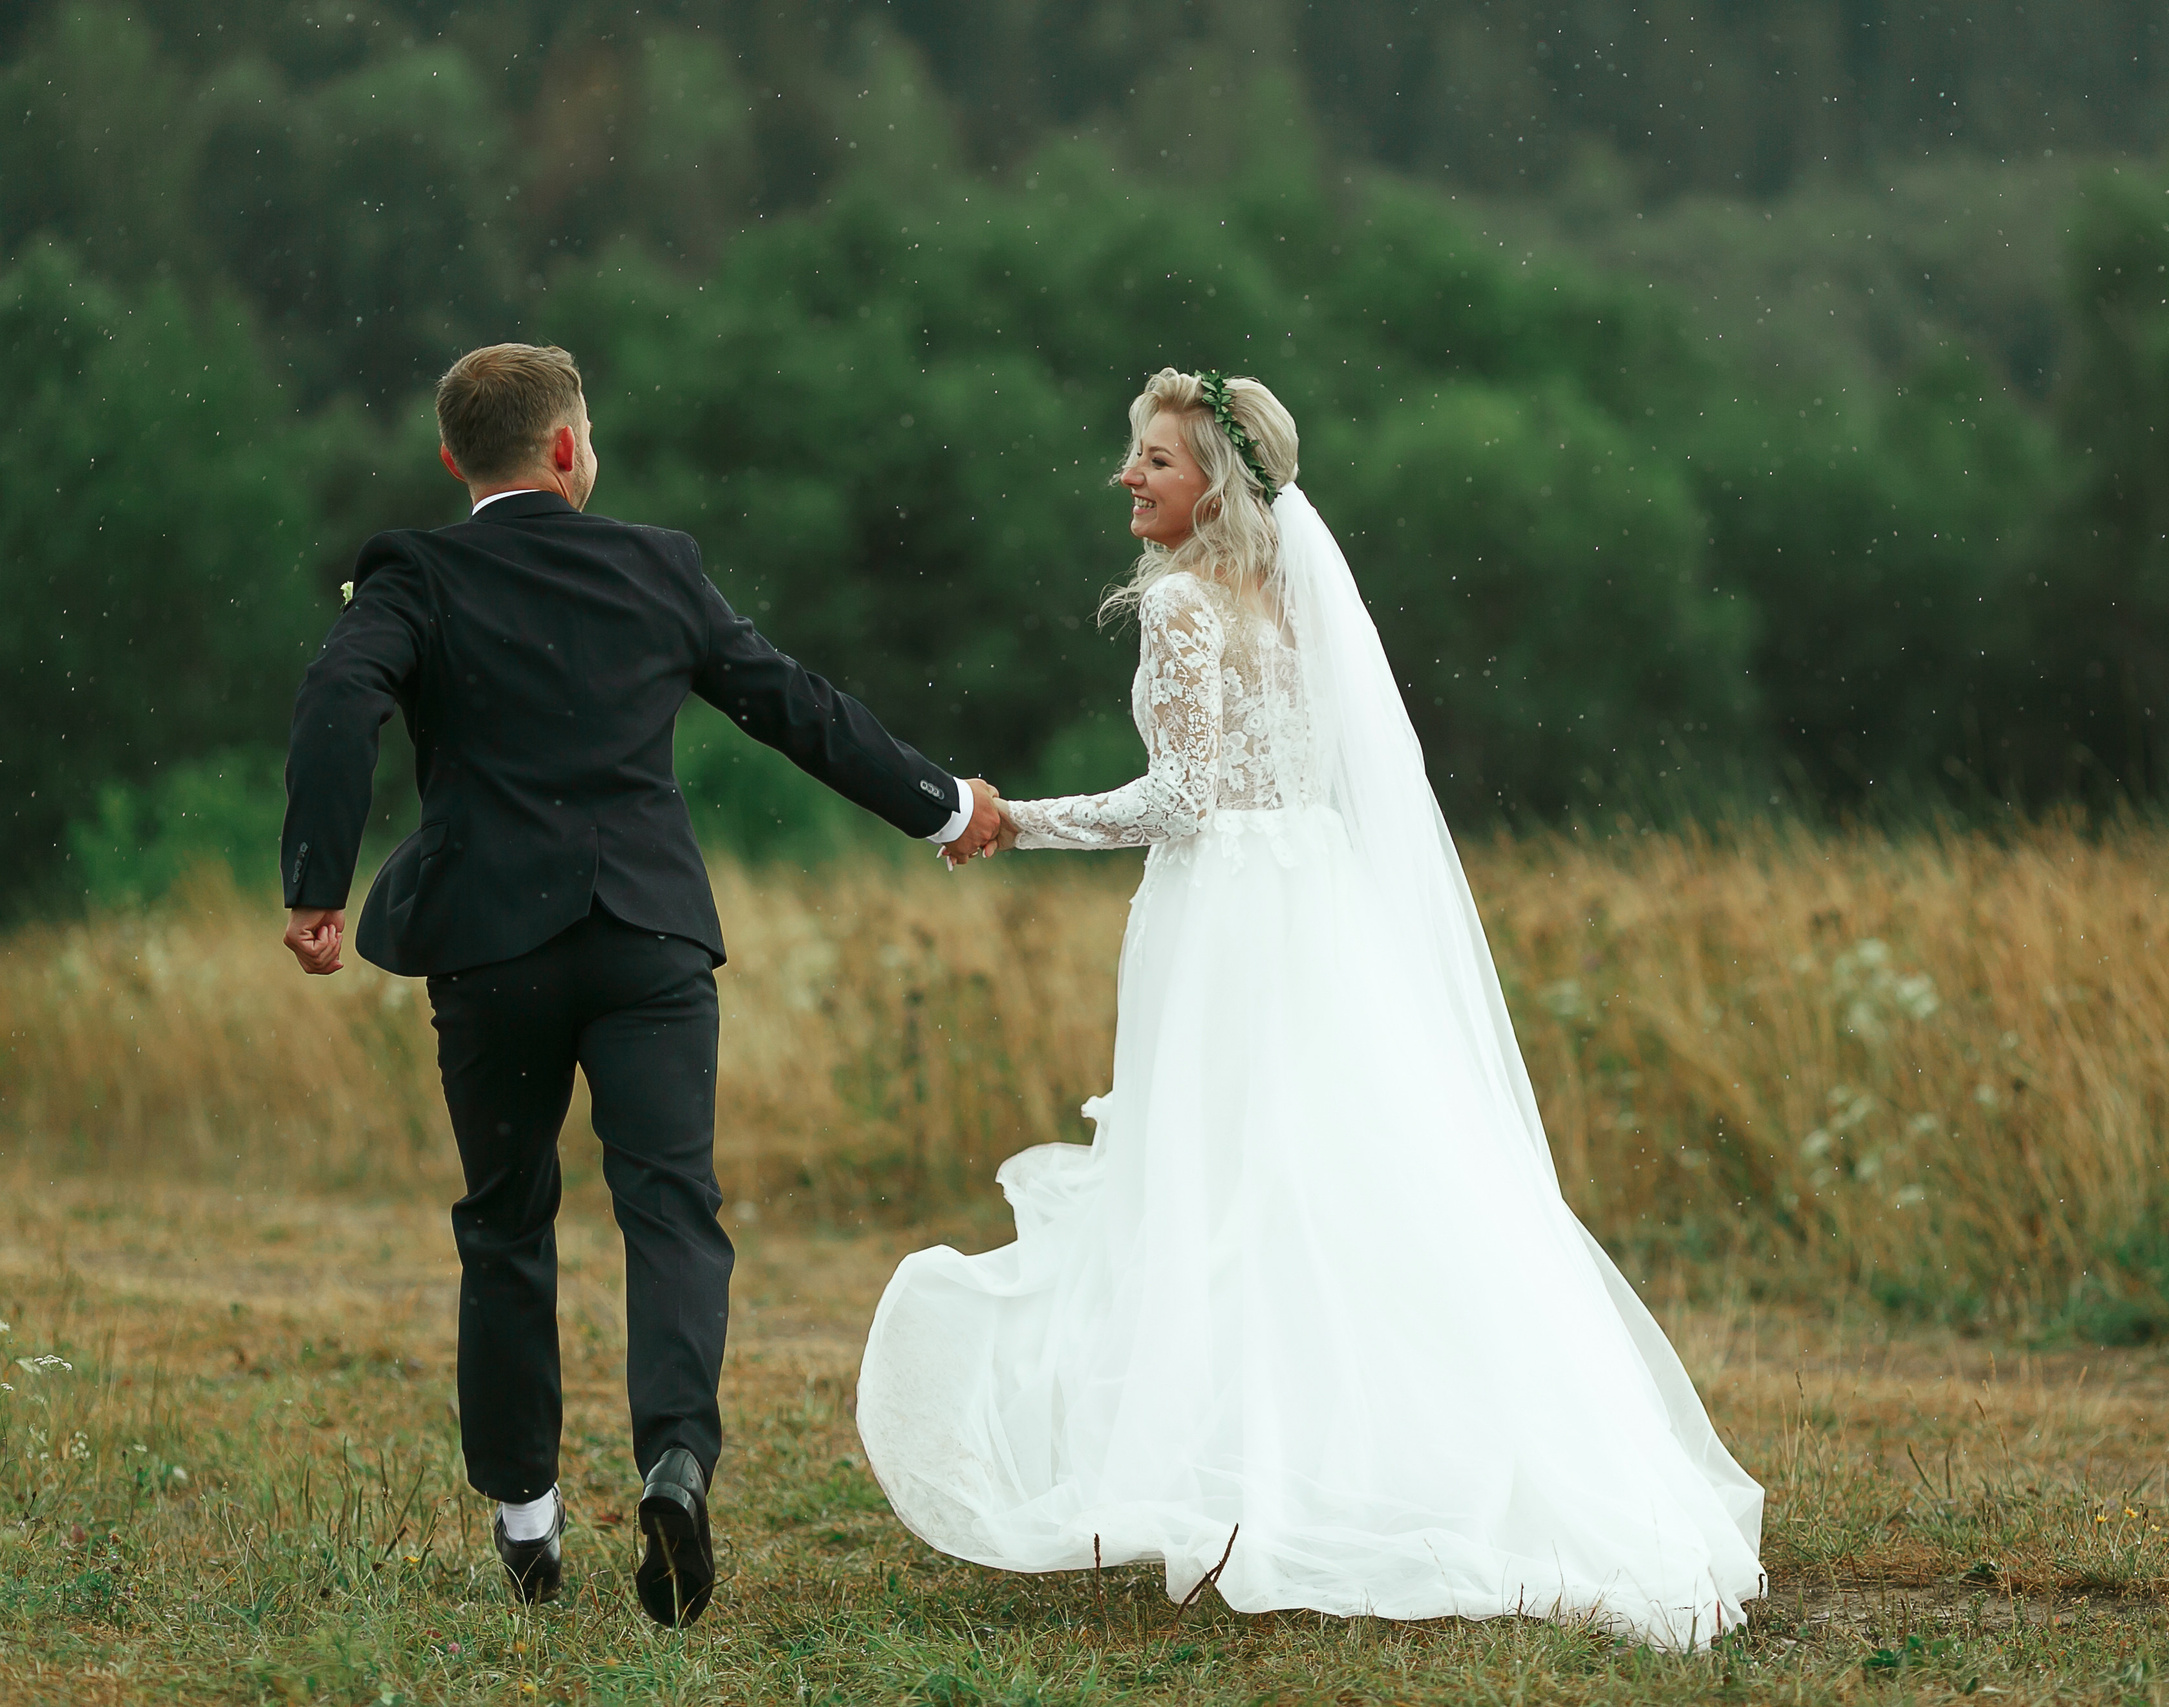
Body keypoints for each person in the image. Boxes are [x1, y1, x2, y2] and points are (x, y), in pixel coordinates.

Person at [856, 368, 1765, 1649]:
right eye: (1134, 455)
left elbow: (1180, 801)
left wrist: (1018, 821)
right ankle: (1355, 1461)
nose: (1130, 477)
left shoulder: (1179, 606)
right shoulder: (1294, 602)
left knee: (1227, 1188)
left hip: (1229, 917)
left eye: (1158, 463)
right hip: (1317, 906)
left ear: (1214, 484)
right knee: (1340, 1183)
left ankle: (1252, 1478)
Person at [279, 343, 1002, 1625]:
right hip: (650, 938)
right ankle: (674, 1459)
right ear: (568, 451)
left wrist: (317, 879)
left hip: (490, 945)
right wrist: (941, 807)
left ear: (455, 459)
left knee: (505, 1220)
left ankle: (526, 1519)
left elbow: (341, 694)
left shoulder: (417, 572)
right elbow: (794, 705)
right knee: (671, 1208)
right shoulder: (656, 566)